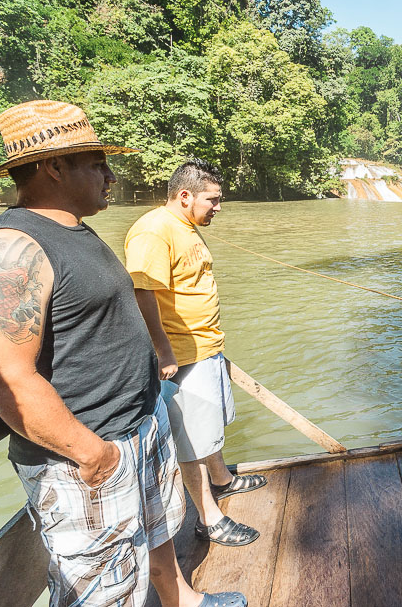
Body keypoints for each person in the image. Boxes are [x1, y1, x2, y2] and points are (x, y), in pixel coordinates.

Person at [0, 100, 245, 606]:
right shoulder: (11, 247)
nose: (110, 174)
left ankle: (182, 600)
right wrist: (90, 452)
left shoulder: (74, 228)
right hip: (90, 449)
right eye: (97, 163)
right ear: (53, 167)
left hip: (138, 425)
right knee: (100, 587)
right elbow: (2, 377)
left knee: (161, 533)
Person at [124, 159, 266, 547]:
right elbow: (143, 292)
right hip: (182, 356)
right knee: (190, 442)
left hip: (206, 346)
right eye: (212, 200)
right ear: (185, 196)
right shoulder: (154, 231)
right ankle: (209, 518)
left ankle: (222, 480)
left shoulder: (184, 226)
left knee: (208, 431)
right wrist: (163, 350)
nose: (218, 207)